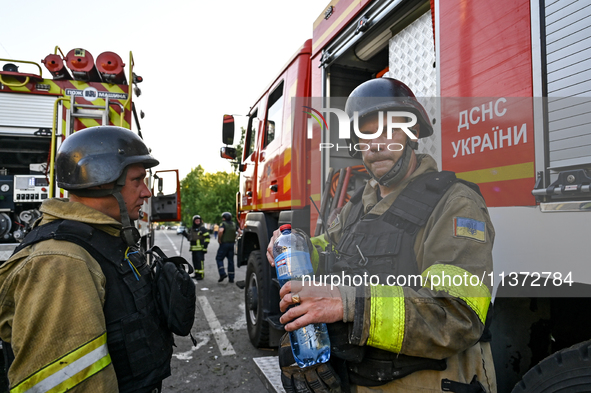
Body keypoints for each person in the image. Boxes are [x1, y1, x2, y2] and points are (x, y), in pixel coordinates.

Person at [266, 78, 496, 393]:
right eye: (366, 133)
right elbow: (330, 253)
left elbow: (457, 316)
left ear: (412, 133)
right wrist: (296, 247)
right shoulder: (359, 205)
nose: (376, 144)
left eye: (389, 130)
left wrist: (345, 304)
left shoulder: (455, 203)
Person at [0, 126, 174, 393]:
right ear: (102, 181)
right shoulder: (62, 263)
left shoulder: (105, 240)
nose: (147, 193)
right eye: (137, 181)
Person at [183, 214, 210, 279]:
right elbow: (190, 238)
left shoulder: (203, 229)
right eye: (196, 221)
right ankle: (197, 274)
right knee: (195, 262)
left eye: (198, 221)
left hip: (200, 249)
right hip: (193, 249)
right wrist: (185, 234)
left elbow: (207, 237)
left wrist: (205, 245)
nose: (197, 222)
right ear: (194, 221)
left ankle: (201, 275)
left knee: (200, 262)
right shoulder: (191, 229)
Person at [216, 212, 237, 283]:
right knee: (231, 261)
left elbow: (221, 231)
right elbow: (240, 231)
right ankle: (231, 278)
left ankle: (222, 273)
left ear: (224, 218)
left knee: (219, 258)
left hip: (224, 244)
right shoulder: (234, 224)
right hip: (231, 244)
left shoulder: (223, 224)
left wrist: (219, 239)